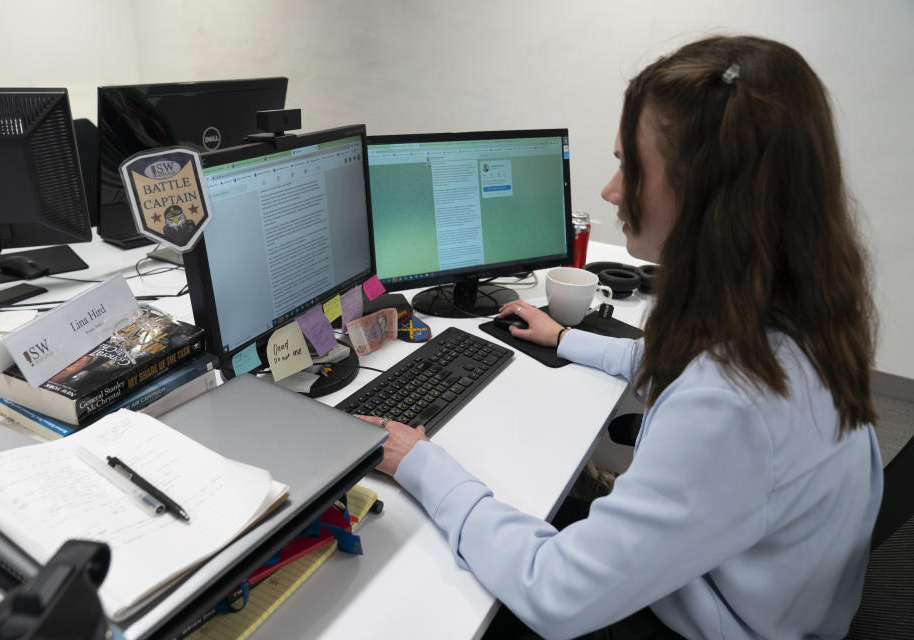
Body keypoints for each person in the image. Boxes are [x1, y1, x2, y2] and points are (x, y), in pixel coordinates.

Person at [359, 35, 883, 640]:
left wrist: (423, 463)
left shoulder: (734, 404)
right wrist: (565, 339)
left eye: (630, 167)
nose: (611, 191)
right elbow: (684, 367)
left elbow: (551, 591)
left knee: (441, 594)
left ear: (710, 198)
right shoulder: (798, 314)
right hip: (735, 587)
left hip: (701, 620)